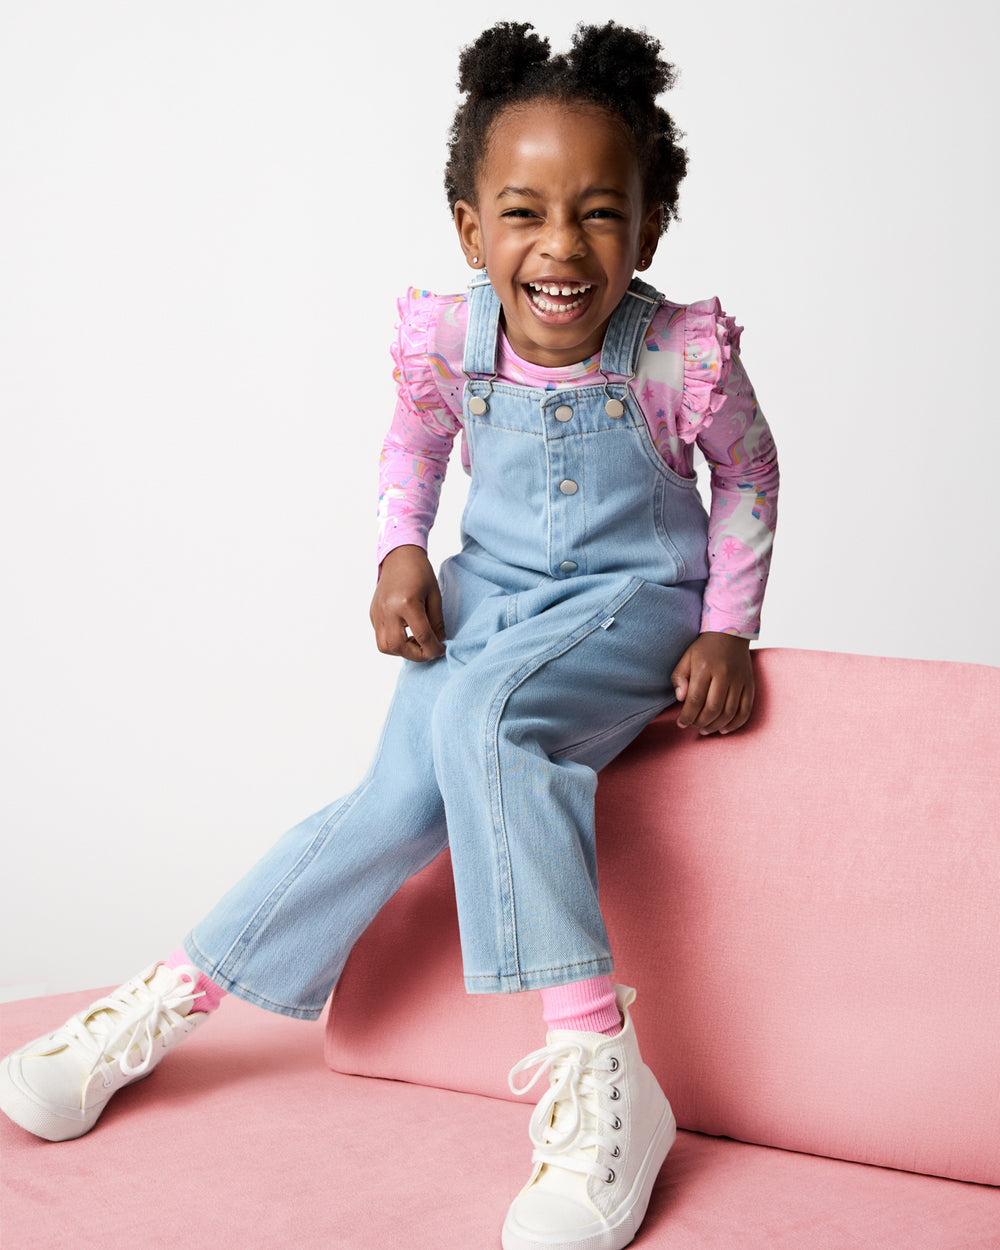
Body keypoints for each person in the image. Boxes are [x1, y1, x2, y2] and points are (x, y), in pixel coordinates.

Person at [0, 21, 778, 1250]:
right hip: (491, 592)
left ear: (653, 221)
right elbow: (412, 449)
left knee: (483, 715)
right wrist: (400, 550)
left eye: (599, 213)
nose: (560, 247)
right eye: (522, 213)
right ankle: (165, 1000)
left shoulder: (680, 353)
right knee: (385, 803)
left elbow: (744, 473)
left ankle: (599, 1061)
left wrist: (729, 627)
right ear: (471, 228)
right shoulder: (446, 337)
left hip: (630, 607)